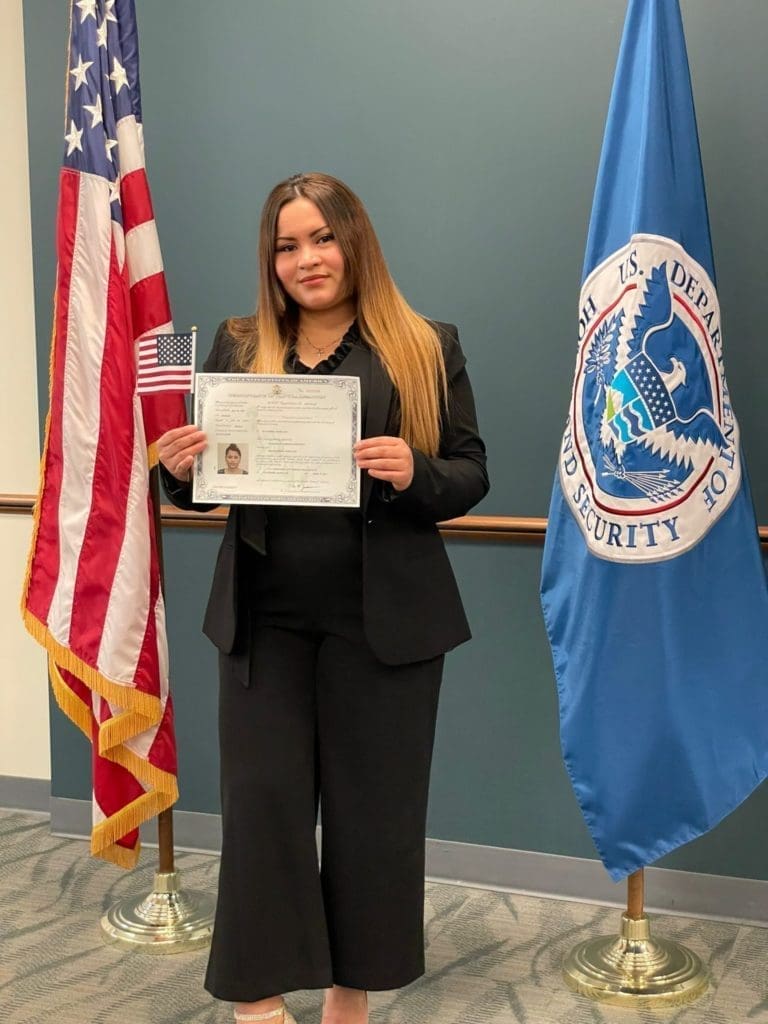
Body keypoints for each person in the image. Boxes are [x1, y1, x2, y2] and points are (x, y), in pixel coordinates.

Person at [158, 172, 489, 1024]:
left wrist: (417, 473)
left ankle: (352, 990)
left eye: (321, 238)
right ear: (271, 261)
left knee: (373, 818)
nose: (306, 259)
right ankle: (258, 996)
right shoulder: (239, 347)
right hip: (263, 624)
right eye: (286, 245)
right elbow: (204, 486)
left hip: (385, 625)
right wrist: (179, 470)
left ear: (355, 241)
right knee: (261, 807)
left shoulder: (425, 343)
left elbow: (469, 472)